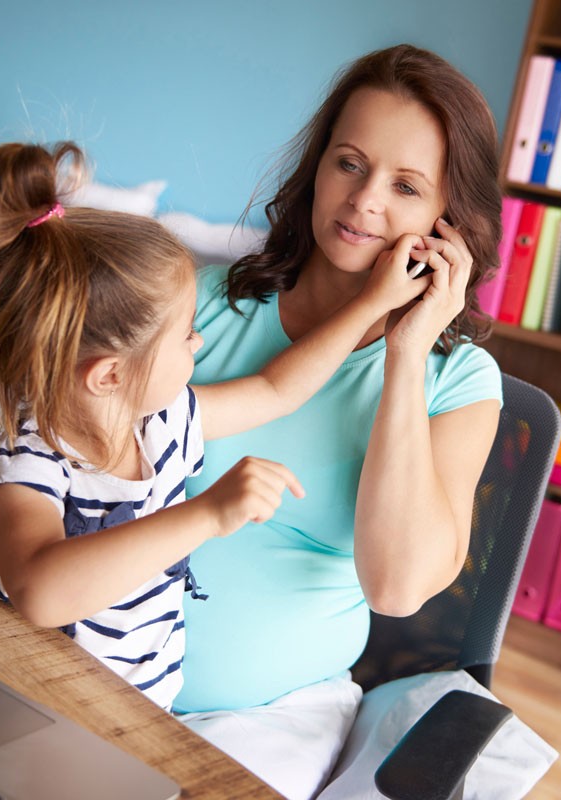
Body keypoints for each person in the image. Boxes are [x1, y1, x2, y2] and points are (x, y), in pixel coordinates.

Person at [0, 141, 430, 712]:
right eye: (185, 333)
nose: (200, 341)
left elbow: (277, 389)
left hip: (136, 711)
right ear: (111, 374)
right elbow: (39, 592)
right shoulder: (36, 457)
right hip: (29, 699)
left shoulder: (164, 421)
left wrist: (373, 305)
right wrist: (206, 514)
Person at [174, 44, 508, 798]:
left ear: (447, 222)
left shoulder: (460, 383)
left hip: (262, 723)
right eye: (349, 163)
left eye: (406, 186)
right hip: (107, 662)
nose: (363, 202)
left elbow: (395, 587)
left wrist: (406, 353)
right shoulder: (201, 302)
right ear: (317, 166)